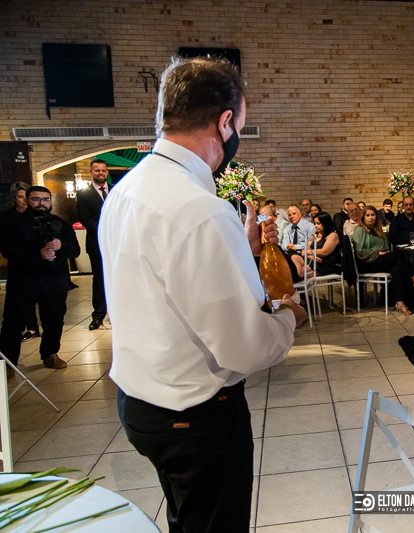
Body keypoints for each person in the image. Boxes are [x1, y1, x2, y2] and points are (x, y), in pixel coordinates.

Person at [99, 56, 307, 533]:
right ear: (225, 121)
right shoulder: (200, 209)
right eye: (240, 127)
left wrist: (241, 253)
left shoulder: (127, 189)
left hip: (141, 399)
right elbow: (246, 346)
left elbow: (167, 284)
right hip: (193, 415)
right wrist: (288, 316)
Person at [0, 186, 80, 372]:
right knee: (13, 323)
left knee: (54, 320)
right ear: (26, 201)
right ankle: (8, 364)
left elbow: (75, 250)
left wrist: (61, 245)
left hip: (54, 281)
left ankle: (50, 354)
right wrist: (38, 255)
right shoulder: (12, 223)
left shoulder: (61, 224)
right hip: (23, 281)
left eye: (46, 199)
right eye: (36, 199)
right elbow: (8, 251)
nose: (41, 203)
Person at [351, 205, 414, 315]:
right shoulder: (360, 230)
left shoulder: (378, 230)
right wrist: (377, 253)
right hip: (366, 263)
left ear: (376, 217)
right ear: (363, 217)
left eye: (373, 215)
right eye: (368, 215)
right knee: (396, 255)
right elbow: (359, 253)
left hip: (379, 261)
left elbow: (386, 249)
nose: (371, 217)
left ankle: (400, 302)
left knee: (397, 269)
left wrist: (384, 254)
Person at [1, 182, 40, 342]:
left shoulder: (38, 216)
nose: (24, 201)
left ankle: (34, 327)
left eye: (26, 197)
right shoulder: (7, 218)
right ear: (14, 198)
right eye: (20, 197)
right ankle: (29, 327)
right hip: (19, 264)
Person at [77, 159, 111, 330]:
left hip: (117, 243)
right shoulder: (84, 194)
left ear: (107, 172)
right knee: (99, 278)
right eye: (97, 170)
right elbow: (85, 218)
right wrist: (105, 232)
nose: (100, 173)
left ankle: (119, 313)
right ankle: (98, 315)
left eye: (103, 170)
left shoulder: (115, 190)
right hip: (96, 242)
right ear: (91, 172)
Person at [301, 212, 341, 276]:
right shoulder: (314, 234)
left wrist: (306, 252)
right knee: (295, 259)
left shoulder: (333, 235)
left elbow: (323, 252)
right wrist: (310, 256)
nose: (315, 226)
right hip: (312, 260)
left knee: (300, 273)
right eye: (315, 223)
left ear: (325, 223)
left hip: (325, 264)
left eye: (318, 223)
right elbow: (304, 250)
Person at [282, 205, 316, 276]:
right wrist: (289, 247)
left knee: (293, 262)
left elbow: (311, 244)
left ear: (300, 214)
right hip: (290, 253)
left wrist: (295, 247)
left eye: (294, 213)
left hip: (305, 254)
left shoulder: (309, 226)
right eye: (289, 215)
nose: (292, 216)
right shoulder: (287, 228)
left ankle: (296, 280)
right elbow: (284, 245)